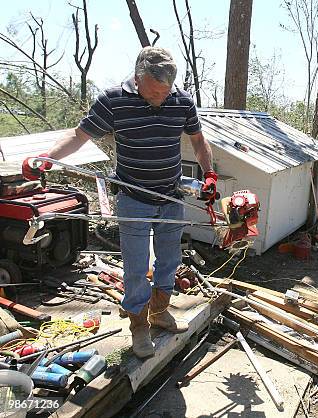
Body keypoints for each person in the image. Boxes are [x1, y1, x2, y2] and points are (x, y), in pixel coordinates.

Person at [22, 47, 216, 358]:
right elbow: (79, 135)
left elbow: (198, 139)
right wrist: (48, 158)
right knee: (137, 268)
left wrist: (209, 174)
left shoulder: (181, 100)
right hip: (134, 198)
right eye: (155, 92)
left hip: (171, 196)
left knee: (169, 260)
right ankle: (139, 325)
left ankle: (160, 312)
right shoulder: (113, 100)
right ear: (138, 79)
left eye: (166, 91)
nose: (162, 98)